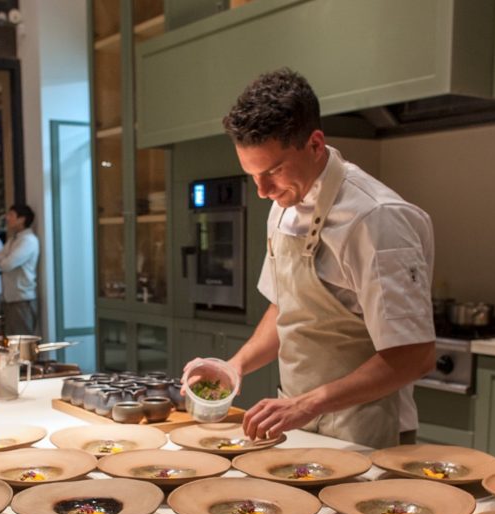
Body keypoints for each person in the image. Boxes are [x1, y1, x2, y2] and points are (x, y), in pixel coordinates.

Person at [185, 68, 435, 449]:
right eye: (252, 175)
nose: (263, 190)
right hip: (301, 427)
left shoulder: (376, 219)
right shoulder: (283, 206)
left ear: (315, 145)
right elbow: (285, 310)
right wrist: (234, 366)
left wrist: (306, 404)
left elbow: (414, 356)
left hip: (366, 435)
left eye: (273, 171)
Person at [0, 203, 40, 336]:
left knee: (22, 339)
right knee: (10, 340)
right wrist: (4, 259)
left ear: (22, 219)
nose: (7, 218)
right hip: (9, 298)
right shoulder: (13, 239)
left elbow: (8, 264)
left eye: (11, 215)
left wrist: (4, 259)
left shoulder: (28, 240)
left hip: (22, 299)